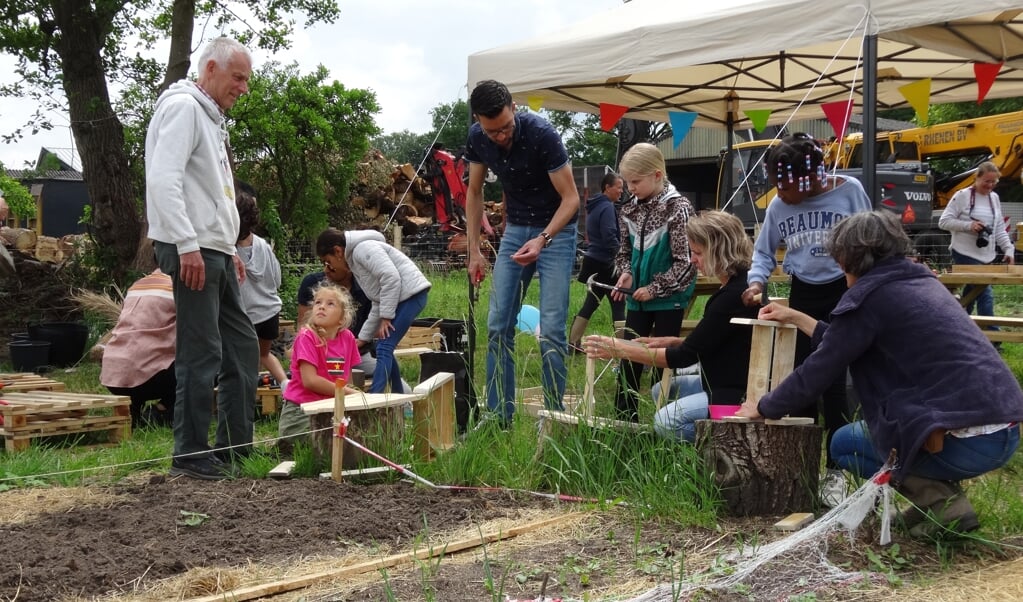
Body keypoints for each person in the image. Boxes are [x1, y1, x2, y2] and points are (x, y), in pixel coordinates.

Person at [736, 211, 1023, 535]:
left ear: (846, 257)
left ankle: (942, 501)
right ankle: (938, 502)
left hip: (970, 442)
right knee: (880, 433)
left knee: (846, 443)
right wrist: (799, 318)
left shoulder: (867, 298)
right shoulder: (918, 280)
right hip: (1005, 429)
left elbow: (820, 368)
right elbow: (846, 341)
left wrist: (763, 407)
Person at [145, 36, 258, 480]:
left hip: (214, 250)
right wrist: (186, 243)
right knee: (201, 350)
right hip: (191, 248)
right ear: (210, 68)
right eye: (238, 78)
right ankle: (190, 455)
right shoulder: (184, 108)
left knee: (242, 344)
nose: (243, 88)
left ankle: (234, 448)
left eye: (246, 80)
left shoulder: (210, 117)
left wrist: (229, 247)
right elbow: (164, 180)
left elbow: (213, 192)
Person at [740, 133, 871, 478]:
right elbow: (764, 252)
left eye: (784, 188)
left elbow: (873, 239)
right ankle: (801, 464)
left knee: (833, 383)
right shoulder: (780, 206)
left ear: (811, 179)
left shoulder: (849, 191)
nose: (779, 195)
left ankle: (838, 469)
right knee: (803, 379)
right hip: (804, 293)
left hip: (844, 291)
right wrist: (756, 282)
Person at [464, 80, 580, 426]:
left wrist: (543, 238)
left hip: (556, 230)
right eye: (491, 131)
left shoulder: (542, 134)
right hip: (516, 230)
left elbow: (571, 199)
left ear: (514, 108)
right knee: (498, 325)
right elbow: (473, 193)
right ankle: (500, 415)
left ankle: (554, 416)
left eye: (504, 128)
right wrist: (474, 251)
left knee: (554, 329)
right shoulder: (477, 137)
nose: (499, 136)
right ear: (478, 121)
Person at [584, 211, 758, 441]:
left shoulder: (732, 296)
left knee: (665, 423)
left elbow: (682, 358)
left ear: (718, 250)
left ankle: (724, 441)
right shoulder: (739, 285)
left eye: (697, 253)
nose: (693, 260)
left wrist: (619, 349)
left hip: (733, 391)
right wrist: (677, 341)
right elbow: (718, 340)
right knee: (660, 391)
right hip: (719, 377)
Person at [612, 143, 697, 422]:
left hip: (668, 299)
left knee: (664, 362)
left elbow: (685, 262)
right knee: (631, 358)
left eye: (636, 181)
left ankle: (668, 421)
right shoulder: (628, 210)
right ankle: (624, 420)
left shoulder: (678, 208)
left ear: (657, 175)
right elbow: (624, 252)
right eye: (627, 182)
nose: (630, 188)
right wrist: (626, 272)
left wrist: (655, 288)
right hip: (638, 298)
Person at [316, 228, 430, 394]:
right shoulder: (354, 260)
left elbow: (391, 278)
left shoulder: (363, 249)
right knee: (383, 345)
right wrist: (363, 338)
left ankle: (374, 396)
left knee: (384, 346)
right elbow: (377, 300)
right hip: (404, 297)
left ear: (338, 251)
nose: (329, 267)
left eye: (328, 261)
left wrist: (386, 317)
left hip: (412, 295)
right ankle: (400, 395)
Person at [279, 283, 362, 447]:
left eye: (330, 304)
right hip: (301, 411)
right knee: (330, 444)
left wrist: (353, 402)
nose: (322, 307)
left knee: (358, 438)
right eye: (318, 302)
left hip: (332, 409)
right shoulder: (307, 336)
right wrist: (351, 393)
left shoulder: (348, 338)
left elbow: (347, 378)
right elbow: (310, 381)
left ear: (342, 318)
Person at [938, 161, 1015, 334]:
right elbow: (943, 222)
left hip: (986, 254)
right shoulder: (962, 196)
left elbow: (999, 229)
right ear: (976, 178)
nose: (990, 186)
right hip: (964, 252)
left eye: (994, 182)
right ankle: (993, 337)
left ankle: (958, 324)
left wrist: (1008, 249)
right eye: (986, 181)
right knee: (985, 292)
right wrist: (969, 226)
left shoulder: (994, 198)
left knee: (973, 292)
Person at [100, 269, 176, 428]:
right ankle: (162, 410)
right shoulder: (181, 286)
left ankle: (133, 409)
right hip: (147, 377)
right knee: (206, 361)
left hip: (112, 374)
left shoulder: (138, 286)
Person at [235, 181, 288, 392]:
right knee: (264, 354)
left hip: (247, 315)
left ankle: (245, 395)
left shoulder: (229, 251)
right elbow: (277, 279)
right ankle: (286, 385)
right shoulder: (264, 246)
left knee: (240, 358)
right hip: (270, 312)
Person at [569, 172, 626, 351]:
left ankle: (572, 344)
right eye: (619, 187)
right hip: (607, 262)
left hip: (593, 260)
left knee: (591, 303)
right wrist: (622, 257)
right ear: (607, 187)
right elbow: (609, 235)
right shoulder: (607, 207)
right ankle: (624, 347)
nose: (621, 191)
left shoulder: (594, 206)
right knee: (619, 303)